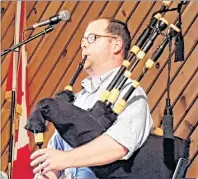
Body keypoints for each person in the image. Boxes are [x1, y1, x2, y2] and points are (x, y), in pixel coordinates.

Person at [30, 17, 153, 179]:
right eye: (83, 40)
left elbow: (118, 145)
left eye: (92, 38)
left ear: (116, 44)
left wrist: (65, 159)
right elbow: (56, 155)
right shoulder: (78, 99)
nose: (84, 44)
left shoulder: (130, 93)